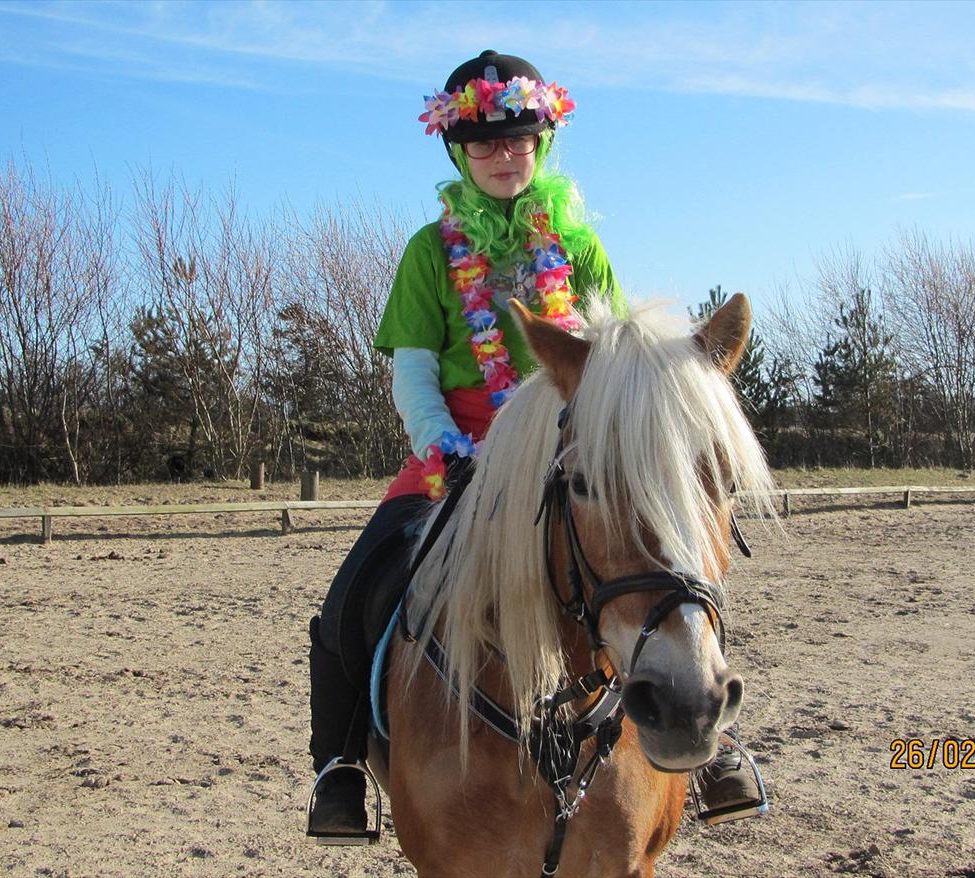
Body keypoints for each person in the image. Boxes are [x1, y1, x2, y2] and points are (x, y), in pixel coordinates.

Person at [307, 49, 765, 838]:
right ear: (459, 150)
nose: (502, 153)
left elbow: (622, 364)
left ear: (540, 144)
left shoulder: (579, 247)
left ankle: (712, 738)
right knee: (349, 599)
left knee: (670, 558)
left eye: (518, 139)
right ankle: (340, 766)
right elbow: (413, 370)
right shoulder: (429, 250)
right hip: (457, 455)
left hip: (572, 448)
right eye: (484, 142)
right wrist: (441, 445)